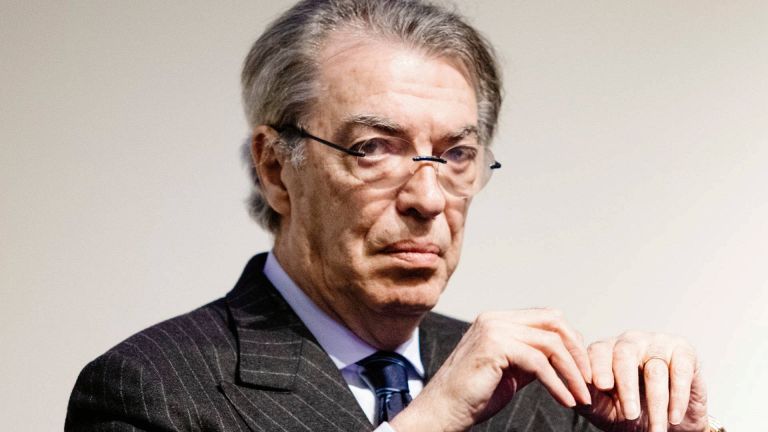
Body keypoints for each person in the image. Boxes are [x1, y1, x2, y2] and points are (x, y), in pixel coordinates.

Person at [66, 1, 719, 431]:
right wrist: (426, 421)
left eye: (456, 155)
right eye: (374, 149)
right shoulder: (150, 391)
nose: (428, 199)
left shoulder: (540, 395)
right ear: (275, 167)